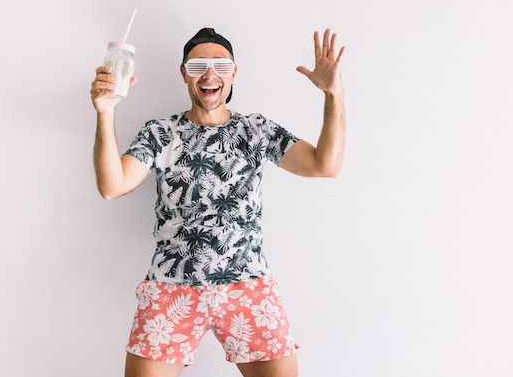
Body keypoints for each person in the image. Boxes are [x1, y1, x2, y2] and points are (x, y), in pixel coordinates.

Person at [90, 27, 345, 377]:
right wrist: (105, 112)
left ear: (234, 72)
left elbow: (324, 165)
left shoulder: (257, 130)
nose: (210, 75)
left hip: (248, 286)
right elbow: (112, 185)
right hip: (172, 288)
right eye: (197, 67)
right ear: (183, 74)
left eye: (220, 66)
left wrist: (334, 95)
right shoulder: (160, 132)